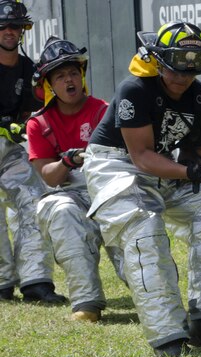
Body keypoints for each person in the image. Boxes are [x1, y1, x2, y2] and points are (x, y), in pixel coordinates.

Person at [82, 21, 201, 357]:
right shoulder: (135, 90)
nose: (182, 75)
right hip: (115, 164)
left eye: (192, 66)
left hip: (164, 163)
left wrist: (194, 167)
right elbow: (140, 157)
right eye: (175, 64)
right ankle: (169, 334)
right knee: (145, 226)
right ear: (157, 60)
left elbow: (189, 153)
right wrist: (186, 169)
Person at [26, 36, 122, 322]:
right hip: (69, 193)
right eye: (60, 76)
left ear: (81, 76)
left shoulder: (104, 111)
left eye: (73, 73)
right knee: (62, 212)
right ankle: (87, 304)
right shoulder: (38, 123)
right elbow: (49, 177)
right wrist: (67, 160)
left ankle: (154, 298)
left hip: (108, 188)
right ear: (49, 85)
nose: (69, 81)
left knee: (134, 241)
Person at [0, 0, 65, 304]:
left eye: (16, 26)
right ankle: (1, 282)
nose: (10, 31)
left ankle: (36, 280)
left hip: (11, 149)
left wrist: (25, 123)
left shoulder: (28, 68)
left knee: (35, 201)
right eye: (4, 26)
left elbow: (30, 109)